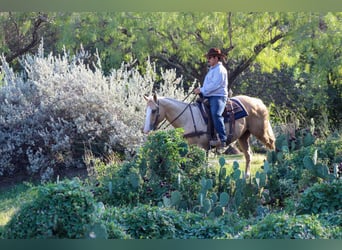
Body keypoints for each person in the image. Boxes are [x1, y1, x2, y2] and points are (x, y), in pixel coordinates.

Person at [194, 47, 228, 148]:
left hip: (218, 96)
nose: (208, 60)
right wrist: (201, 90)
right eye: (208, 58)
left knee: (216, 114)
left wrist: (201, 90)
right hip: (209, 95)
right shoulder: (212, 70)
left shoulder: (220, 70)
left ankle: (222, 139)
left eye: (210, 58)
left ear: (216, 58)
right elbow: (208, 85)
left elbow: (215, 85)